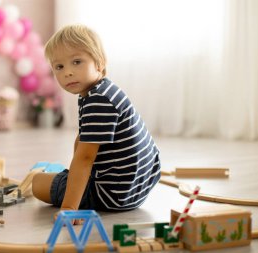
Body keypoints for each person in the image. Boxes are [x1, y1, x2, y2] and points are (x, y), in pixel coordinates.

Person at [31, 24, 161, 218]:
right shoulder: (101, 90)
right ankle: (78, 181)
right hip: (139, 184)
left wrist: (69, 208)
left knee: (37, 183)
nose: (68, 72)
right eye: (59, 66)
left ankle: (78, 192)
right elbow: (84, 137)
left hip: (114, 194)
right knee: (69, 171)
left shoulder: (98, 99)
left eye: (77, 62)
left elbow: (85, 158)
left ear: (99, 63)